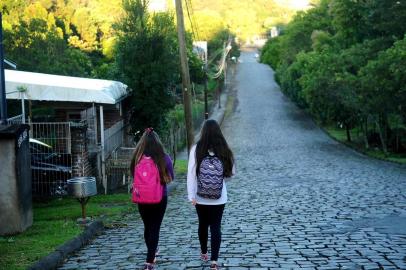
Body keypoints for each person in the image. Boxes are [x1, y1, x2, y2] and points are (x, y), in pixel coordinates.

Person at [187, 120, 235, 270]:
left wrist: (191, 195)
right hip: (219, 196)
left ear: (203, 132)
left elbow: (190, 174)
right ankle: (214, 261)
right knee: (216, 226)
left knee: (202, 224)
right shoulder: (224, 149)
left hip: (200, 196)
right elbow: (232, 172)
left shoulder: (196, 148)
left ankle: (204, 252)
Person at [130, 128, 174, 270]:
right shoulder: (164, 157)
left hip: (141, 197)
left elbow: (133, 175)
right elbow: (171, 177)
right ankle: (150, 260)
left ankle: (152, 252)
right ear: (158, 142)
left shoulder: (137, 157)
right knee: (155, 227)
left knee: (148, 226)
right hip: (160, 197)